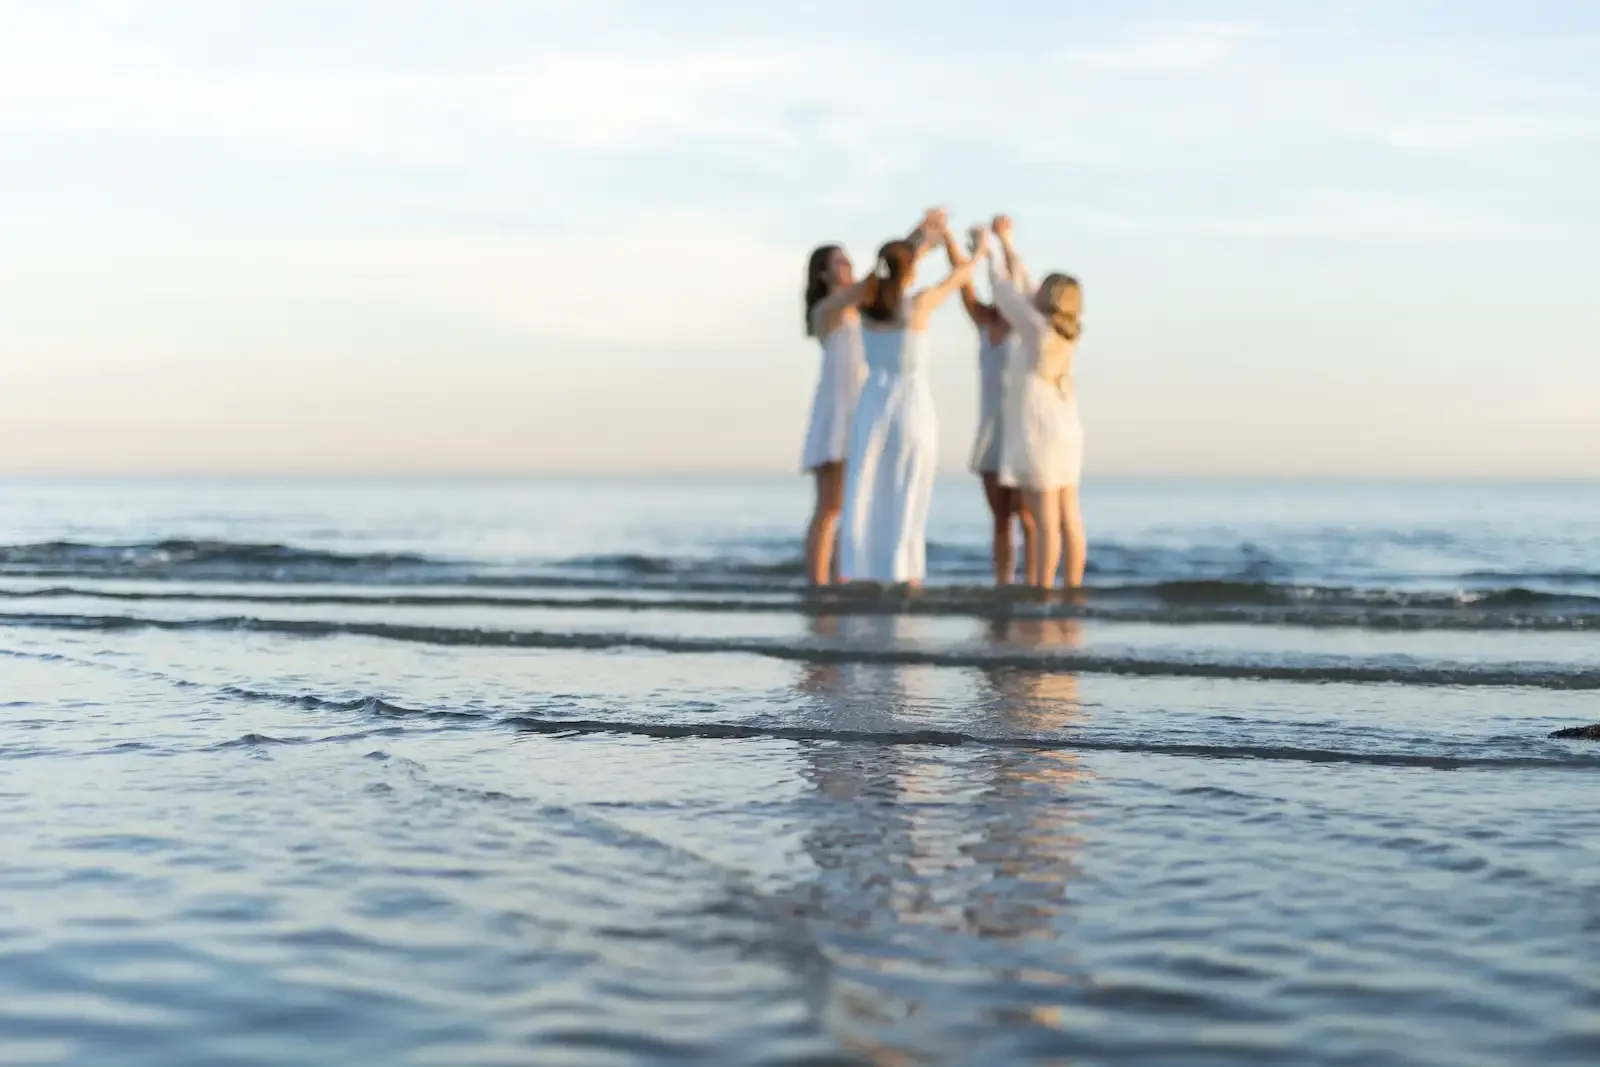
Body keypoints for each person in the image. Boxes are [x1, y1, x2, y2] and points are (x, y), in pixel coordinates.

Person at [831, 218, 988, 587]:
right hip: (910, 402)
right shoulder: (917, 305)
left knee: (867, 485)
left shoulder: (866, 306)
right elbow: (961, 275)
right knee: (909, 484)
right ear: (912, 269)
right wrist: (974, 247)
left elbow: (882, 273)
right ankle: (904, 574)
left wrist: (918, 240)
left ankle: (862, 570)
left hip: (873, 402)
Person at [800, 209, 939, 586]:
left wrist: (919, 243)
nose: (848, 266)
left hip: (864, 409)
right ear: (824, 273)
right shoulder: (826, 311)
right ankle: (819, 584)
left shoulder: (864, 303)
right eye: (840, 262)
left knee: (855, 500)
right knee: (829, 507)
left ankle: (842, 577)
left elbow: (893, 277)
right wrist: (916, 238)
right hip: (835, 411)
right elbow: (878, 278)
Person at [987, 215, 1087, 590]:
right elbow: (1025, 286)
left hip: (1041, 430)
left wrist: (990, 253)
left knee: (1045, 520)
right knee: (1069, 516)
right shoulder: (1064, 332)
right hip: (1067, 427)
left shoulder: (1036, 327)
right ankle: (1073, 587)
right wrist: (1007, 241)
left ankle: (1042, 590)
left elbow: (1005, 291)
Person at [939, 227, 1037, 586]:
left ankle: (1033, 583)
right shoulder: (984, 322)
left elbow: (1021, 276)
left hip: (1022, 433)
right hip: (992, 432)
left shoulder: (1028, 327)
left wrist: (1005, 242)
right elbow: (962, 283)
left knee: (1027, 517)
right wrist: (952, 240)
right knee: (1000, 519)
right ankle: (1003, 583)